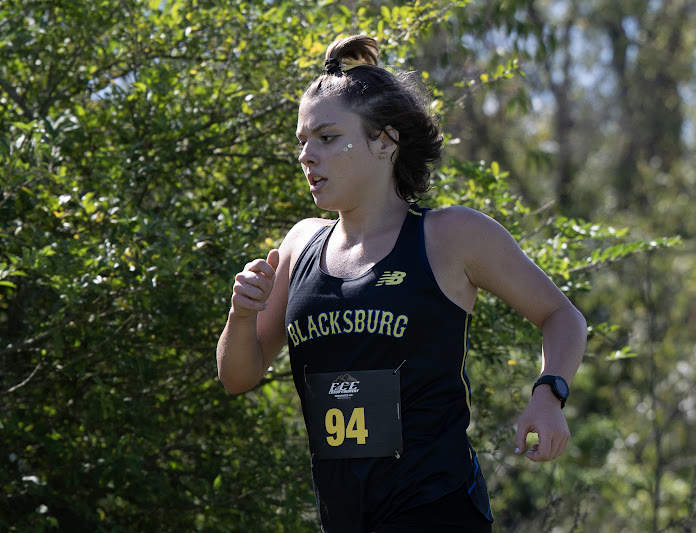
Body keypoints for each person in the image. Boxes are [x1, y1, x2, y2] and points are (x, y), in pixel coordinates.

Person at [216, 34, 586, 533]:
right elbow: (238, 377)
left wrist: (548, 394)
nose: (306, 156)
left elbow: (562, 316)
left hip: (437, 508)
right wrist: (241, 314)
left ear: (385, 141)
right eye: (302, 141)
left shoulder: (451, 235)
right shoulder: (299, 244)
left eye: (327, 137)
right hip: (343, 518)